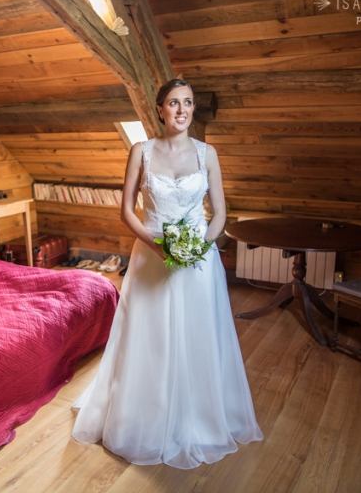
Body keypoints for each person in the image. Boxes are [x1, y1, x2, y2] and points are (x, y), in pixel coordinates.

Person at [72, 79, 263, 468]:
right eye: (174, 103)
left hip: (198, 262)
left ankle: (201, 416)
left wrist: (200, 247)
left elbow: (221, 213)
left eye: (188, 103)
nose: (182, 110)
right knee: (151, 337)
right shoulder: (140, 151)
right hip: (151, 255)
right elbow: (126, 211)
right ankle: (144, 416)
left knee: (198, 335)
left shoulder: (207, 153)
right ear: (160, 110)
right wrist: (156, 245)